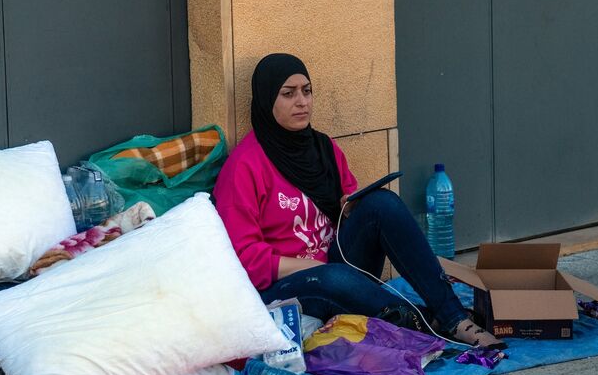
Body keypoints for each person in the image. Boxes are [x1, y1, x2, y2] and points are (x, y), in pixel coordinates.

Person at [212, 53, 504, 348]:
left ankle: (453, 317)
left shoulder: (323, 148)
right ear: (265, 100)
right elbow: (246, 259)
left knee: (381, 203)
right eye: (288, 94)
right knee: (334, 276)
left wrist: (349, 208)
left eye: (307, 91)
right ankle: (426, 323)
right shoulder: (244, 167)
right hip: (289, 285)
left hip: (339, 267)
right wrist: (314, 266)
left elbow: (348, 205)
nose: (302, 102)